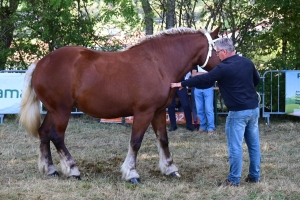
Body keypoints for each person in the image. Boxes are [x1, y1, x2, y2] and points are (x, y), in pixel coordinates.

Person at [170, 38, 261, 186]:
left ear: (225, 51)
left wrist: (182, 83)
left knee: (235, 147)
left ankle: (233, 180)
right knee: (254, 145)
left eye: (218, 52)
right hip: (253, 109)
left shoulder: (223, 67)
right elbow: (256, 81)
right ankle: (255, 176)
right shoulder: (247, 62)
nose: (217, 55)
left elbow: (204, 79)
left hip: (237, 113)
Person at [191, 65, 215, 135]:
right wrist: (205, 73)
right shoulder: (196, 65)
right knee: (199, 110)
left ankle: (210, 128)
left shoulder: (209, 64)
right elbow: (193, 75)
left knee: (209, 109)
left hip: (208, 89)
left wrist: (198, 73)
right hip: (197, 89)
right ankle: (202, 126)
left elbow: (212, 74)